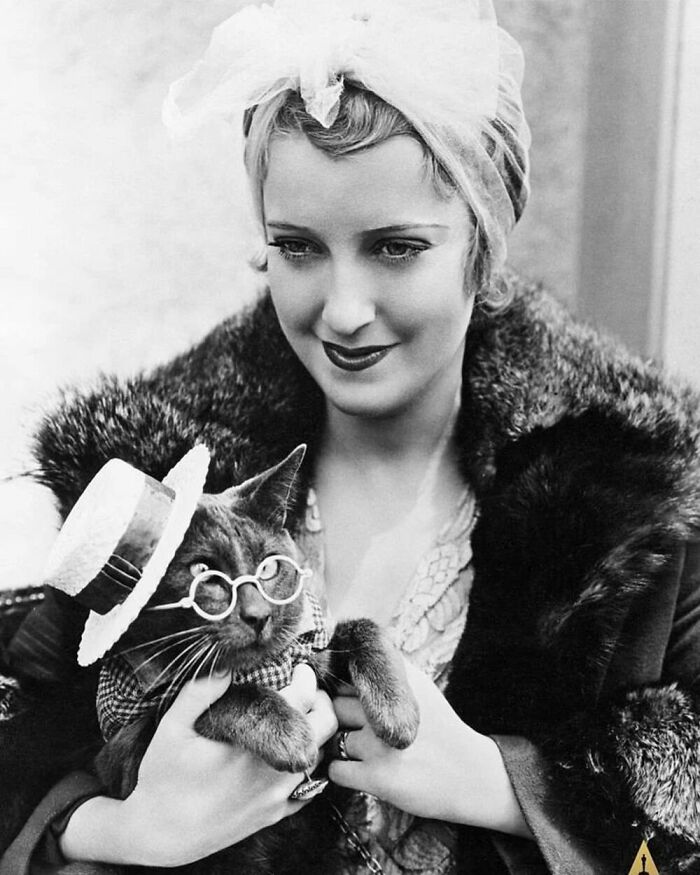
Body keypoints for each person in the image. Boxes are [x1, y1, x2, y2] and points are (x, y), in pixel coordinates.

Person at [2, 0, 700, 872]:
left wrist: (501, 782)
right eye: (297, 248)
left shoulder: (640, 509)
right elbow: (24, 763)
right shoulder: (154, 496)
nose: (341, 310)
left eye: (396, 247)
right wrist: (119, 830)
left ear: (482, 247)